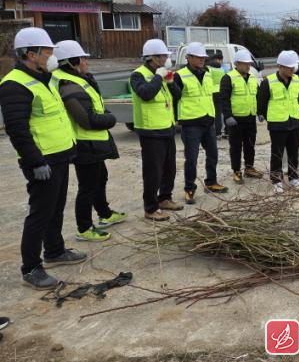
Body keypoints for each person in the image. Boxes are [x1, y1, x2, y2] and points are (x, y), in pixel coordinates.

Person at [0, 27, 86, 289]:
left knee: (55, 208)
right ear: (30, 54)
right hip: (42, 161)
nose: (51, 56)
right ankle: (31, 268)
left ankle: (55, 251)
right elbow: (17, 129)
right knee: (39, 213)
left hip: (59, 155)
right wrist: (35, 161)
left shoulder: (44, 78)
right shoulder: (15, 84)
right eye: (47, 52)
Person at [53, 41, 126, 242]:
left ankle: (105, 213)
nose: (87, 61)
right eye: (83, 58)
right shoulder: (68, 84)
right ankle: (84, 228)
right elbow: (87, 119)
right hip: (85, 144)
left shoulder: (78, 79)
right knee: (87, 187)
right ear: (71, 61)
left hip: (94, 143)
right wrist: (111, 119)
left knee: (100, 178)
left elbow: (94, 107)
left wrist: (105, 114)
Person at [129, 38, 183, 221]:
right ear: (152, 57)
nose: (166, 59)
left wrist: (170, 82)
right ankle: (151, 208)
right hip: (150, 130)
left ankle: (165, 198)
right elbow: (146, 94)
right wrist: (159, 77)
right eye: (163, 56)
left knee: (169, 168)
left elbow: (177, 96)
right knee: (153, 171)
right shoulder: (138, 75)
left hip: (167, 127)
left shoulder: (162, 74)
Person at [174, 42, 228, 204]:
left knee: (213, 154)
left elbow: (219, 85)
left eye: (203, 57)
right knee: (191, 158)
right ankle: (189, 188)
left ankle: (211, 182)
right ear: (188, 57)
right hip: (191, 124)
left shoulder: (208, 73)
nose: (201, 60)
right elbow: (174, 98)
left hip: (208, 121)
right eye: (198, 57)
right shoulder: (179, 75)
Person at [257, 50, 299, 193]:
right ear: (280, 66)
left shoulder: (297, 80)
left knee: (293, 153)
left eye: (293, 67)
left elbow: (298, 99)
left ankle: (293, 178)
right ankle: (276, 180)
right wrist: (272, 117)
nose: (292, 70)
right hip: (277, 125)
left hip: (294, 122)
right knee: (277, 154)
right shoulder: (268, 82)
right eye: (289, 67)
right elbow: (262, 104)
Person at [220, 49, 263, 184]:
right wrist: (228, 116)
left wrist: (260, 112)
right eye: (245, 64)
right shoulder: (228, 78)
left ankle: (249, 167)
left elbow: (257, 96)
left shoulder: (252, 78)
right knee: (236, 146)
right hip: (236, 120)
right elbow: (224, 99)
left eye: (249, 64)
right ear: (237, 64)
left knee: (250, 145)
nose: (248, 66)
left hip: (250, 118)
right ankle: (236, 170)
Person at [207, 51, 227, 139]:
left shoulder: (209, 69)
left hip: (212, 92)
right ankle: (219, 132)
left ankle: (214, 132)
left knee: (212, 112)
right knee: (219, 113)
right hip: (220, 92)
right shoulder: (222, 70)